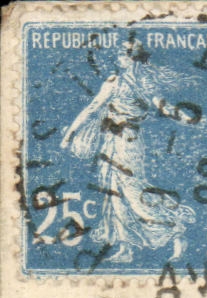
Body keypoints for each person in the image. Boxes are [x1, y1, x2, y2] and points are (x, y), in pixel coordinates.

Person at [59, 37, 197, 263]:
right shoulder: (113, 82)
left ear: (133, 59)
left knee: (133, 191)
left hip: (129, 141)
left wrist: (180, 115)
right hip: (110, 142)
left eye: (123, 54)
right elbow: (92, 109)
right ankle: (126, 248)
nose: (118, 58)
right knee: (113, 192)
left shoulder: (144, 83)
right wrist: (69, 135)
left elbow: (161, 104)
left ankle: (175, 231)